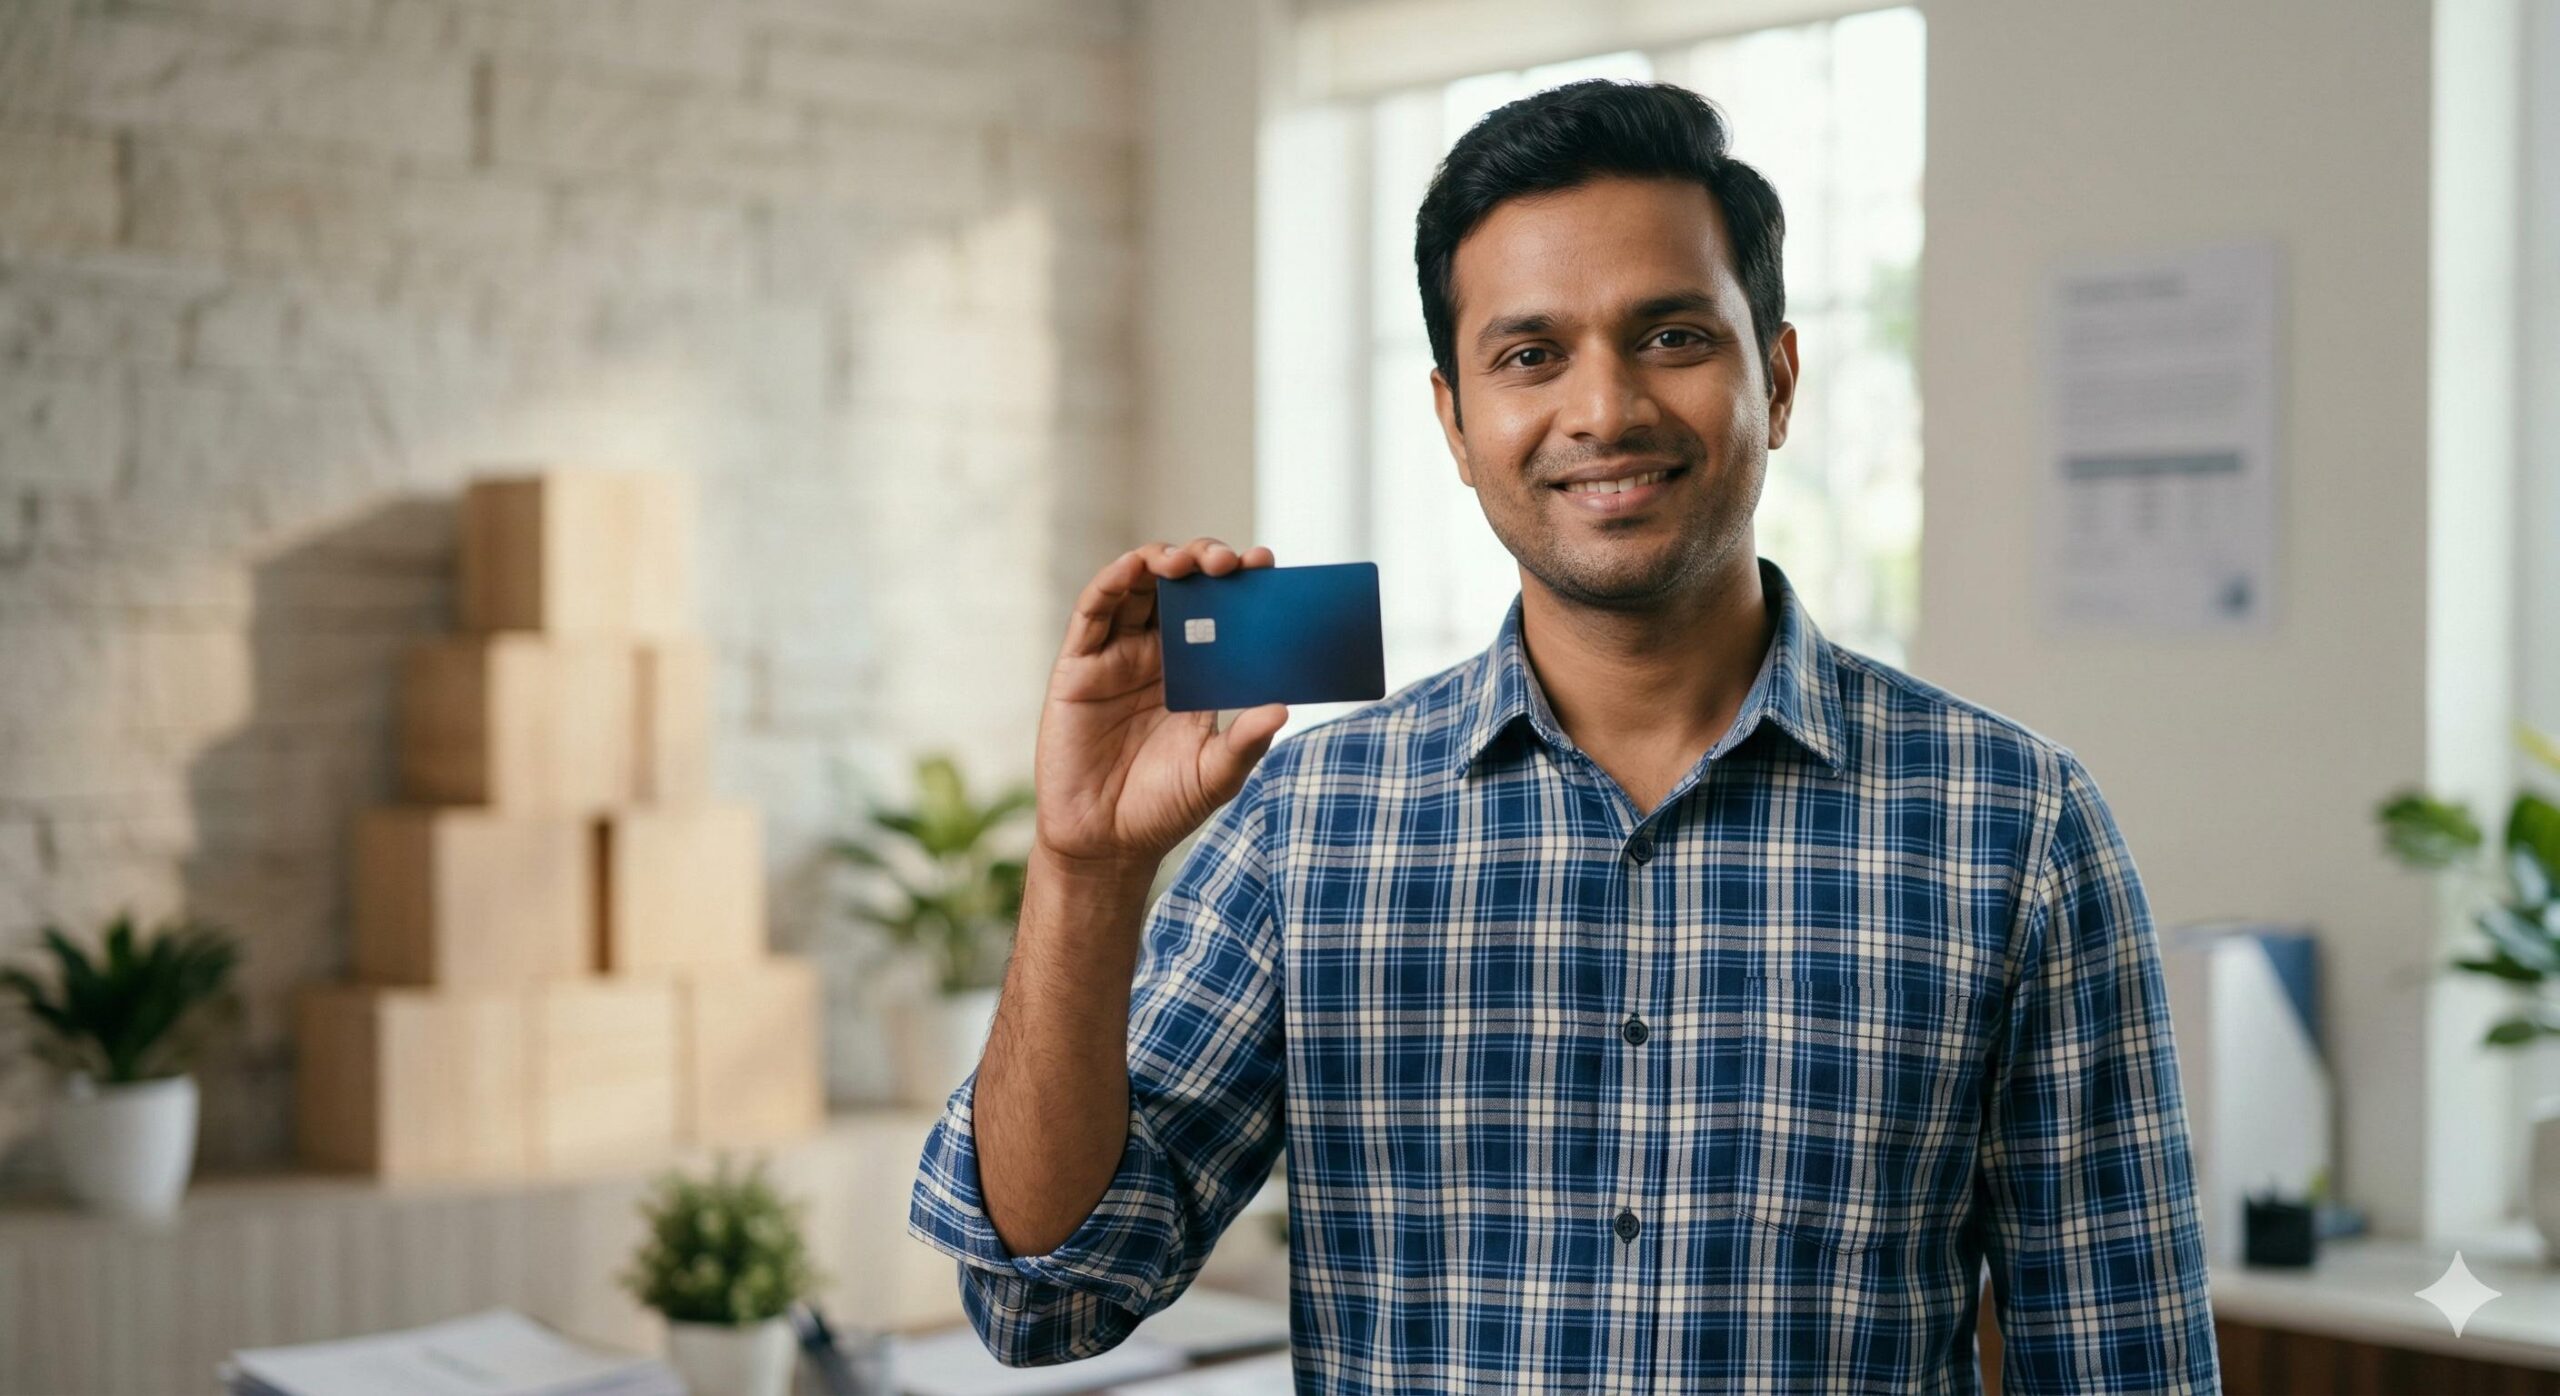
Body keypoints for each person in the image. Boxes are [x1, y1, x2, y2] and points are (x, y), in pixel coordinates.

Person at [908, 78, 2220, 1394]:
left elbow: (2126, 1364)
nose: (1604, 411)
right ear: (1455, 423)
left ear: (1776, 374)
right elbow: (1047, 1291)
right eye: (1530, 355)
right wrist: (1086, 869)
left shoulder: (2016, 826)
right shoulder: (1310, 823)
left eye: (1670, 336)